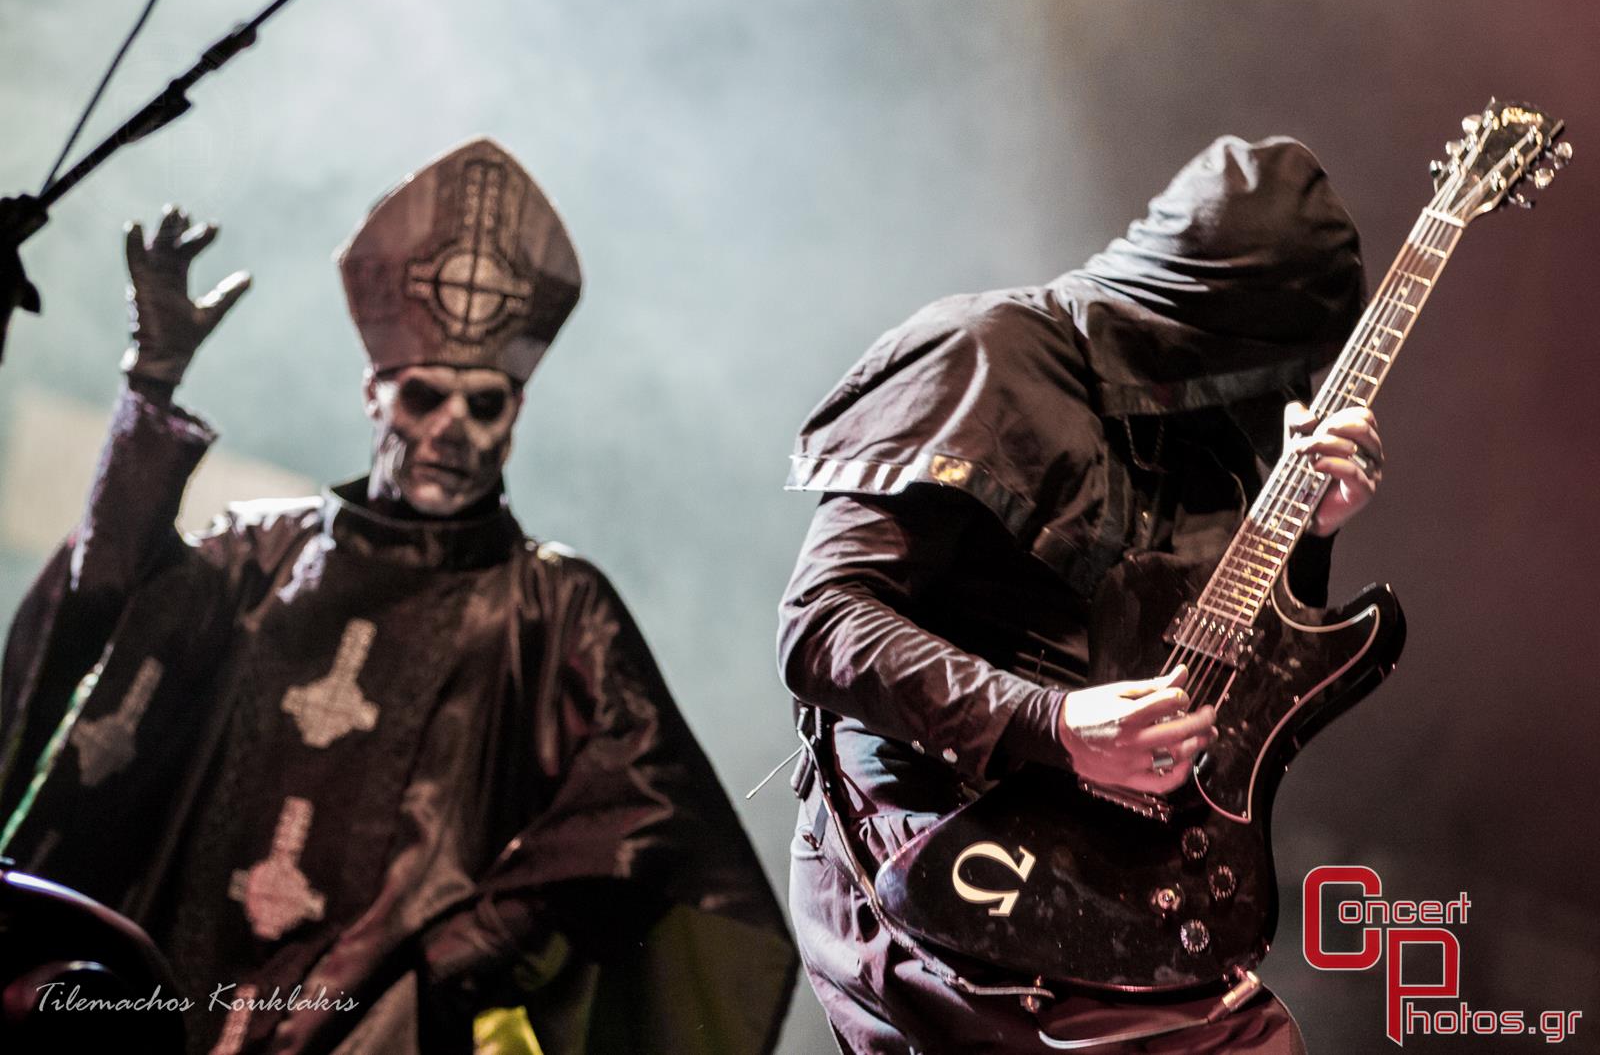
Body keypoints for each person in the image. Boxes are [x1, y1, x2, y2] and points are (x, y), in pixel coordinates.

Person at [0, 138, 795, 1055]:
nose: (454, 431)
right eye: (425, 397)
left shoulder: (554, 605)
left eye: (486, 404)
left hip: (391, 1031)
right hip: (183, 1004)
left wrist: (458, 961)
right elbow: (106, 600)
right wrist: (153, 379)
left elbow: (647, 815)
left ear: (517, 417)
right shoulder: (257, 552)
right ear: (373, 395)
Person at [777, 135, 1385, 1053]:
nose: (1281, 390)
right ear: (1212, 326)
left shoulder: (1217, 434)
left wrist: (1311, 534)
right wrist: (1055, 723)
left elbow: (1228, 698)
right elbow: (820, 625)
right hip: (927, 836)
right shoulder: (981, 352)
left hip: (1089, 849)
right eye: (1270, 362)